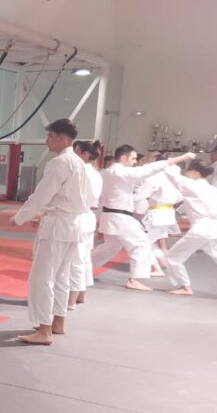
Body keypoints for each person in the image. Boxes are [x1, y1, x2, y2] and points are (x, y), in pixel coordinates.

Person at [11, 119, 91, 345]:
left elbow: (41, 195)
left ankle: (44, 330)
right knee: (61, 277)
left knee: (42, 278)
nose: (48, 141)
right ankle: (58, 322)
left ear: (63, 139)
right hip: (73, 224)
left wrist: (20, 217)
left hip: (57, 226)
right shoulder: (79, 163)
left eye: (51, 136)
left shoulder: (59, 162)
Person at [90, 146, 194, 291]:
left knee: (110, 246)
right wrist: (180, 158)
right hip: (120, 216)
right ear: (123, 158)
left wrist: (98, 217)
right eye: (133, 159)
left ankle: (84, 266)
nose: (135, 162)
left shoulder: (105, 173)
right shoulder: (122, 172)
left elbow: (101, 198)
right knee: (141, 244)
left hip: (109, 215)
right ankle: (134, 279)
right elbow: (147, 170)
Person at [161, 161, 217, 296]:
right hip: (216, 228)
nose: (186, 173)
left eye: (188, 170)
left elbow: (171, 174)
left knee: (173, 257)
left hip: (201, 228)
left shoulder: (191, 185)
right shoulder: (215, 191)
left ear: (195, 173)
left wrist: (174, 161)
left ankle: (185, 286)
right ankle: (184, 286)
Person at [68, 140, 103, 309]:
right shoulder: (95, 172)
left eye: (76, 152)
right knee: (84, 258)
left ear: (85, 154)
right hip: (87, 216)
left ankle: (71, 300)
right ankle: (81, 294)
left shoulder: (82, 171)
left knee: (76, 260)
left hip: (79, 217)